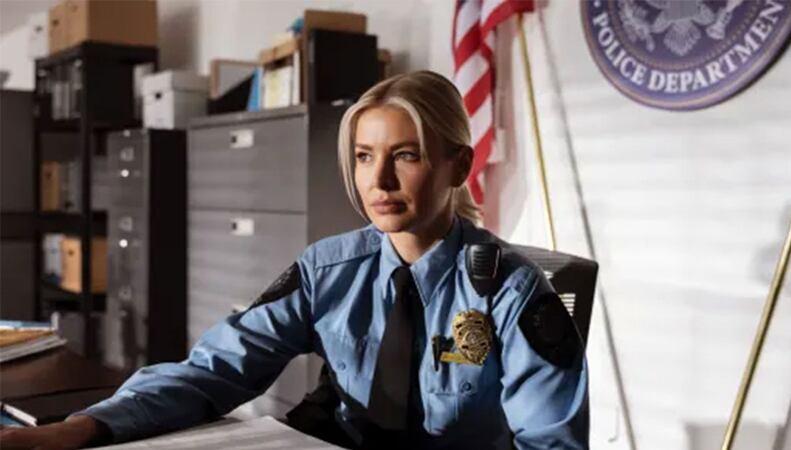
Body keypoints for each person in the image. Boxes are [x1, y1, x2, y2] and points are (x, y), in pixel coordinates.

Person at [0, 71, 588, 450]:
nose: (377, 180)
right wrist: (81, 428)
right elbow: (218, 368)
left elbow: (552, 442)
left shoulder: (510, 292)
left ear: (458, 167)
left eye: (404, 156)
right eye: (362, 156)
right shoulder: (328, 270)